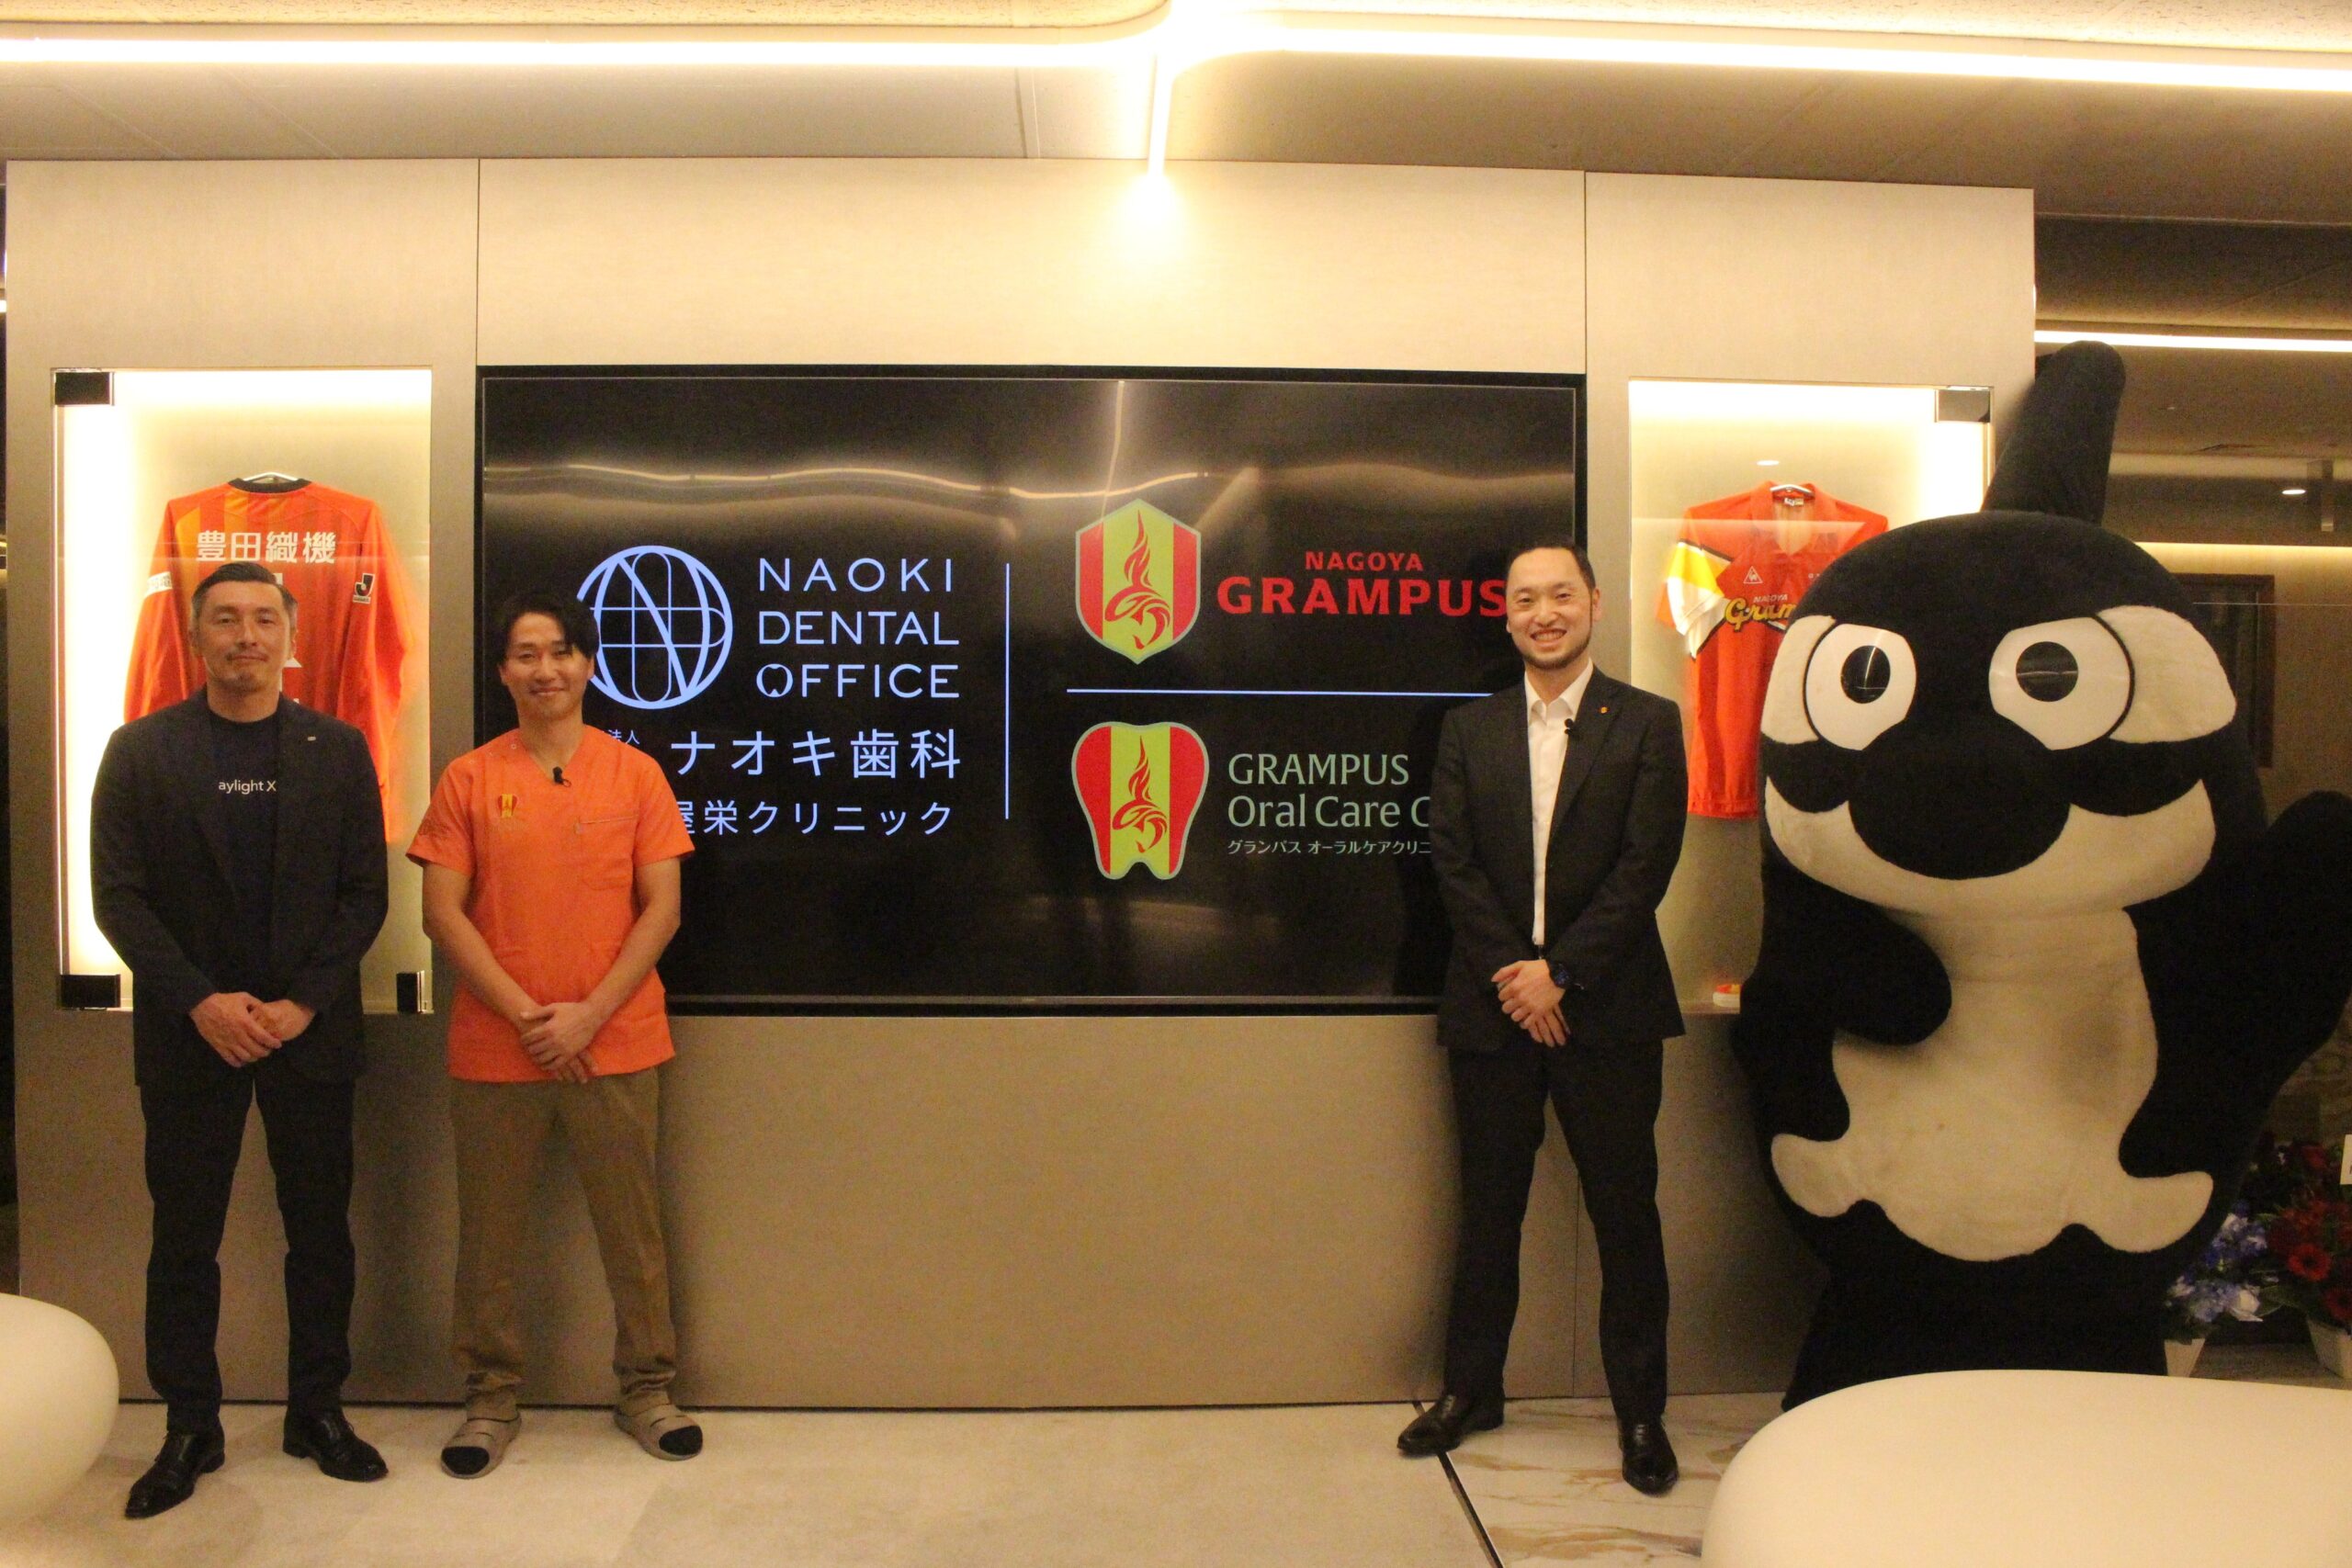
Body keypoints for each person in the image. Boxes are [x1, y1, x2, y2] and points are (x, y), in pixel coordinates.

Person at [91, 558, 392, 1518]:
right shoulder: (140, 750)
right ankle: (190, 1425)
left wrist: (303, 1002)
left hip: (312, 1033)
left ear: (290, 635)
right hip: (191, 1036)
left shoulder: (338, 748)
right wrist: (200, 1002)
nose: (246, 636)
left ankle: (318, 1410)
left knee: (321, 1234)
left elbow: (365, 894)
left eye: (264, 618)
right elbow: (118, 899)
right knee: (184, 1240)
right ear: (195, 636)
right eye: (225, 619)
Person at [1398, 539, 1690, 1495]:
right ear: (1507, 614)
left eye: (1561, 594)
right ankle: (1470, 1391)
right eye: (1525, 599)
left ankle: (1640, 1412)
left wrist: (1561, 973)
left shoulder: (1647, 723)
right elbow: (1451, 862)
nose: (1544, 613)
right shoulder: (1467, 729)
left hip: (1608, 1009)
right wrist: (1515, 977)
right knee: (1489, 1211)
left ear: (1594, 603)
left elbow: (1645, 865)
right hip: (1493, 1012)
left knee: (1624, 1214)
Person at [407, 590, 702, 1478]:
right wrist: (529, 1017)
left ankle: (647, 1389)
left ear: (589, 664)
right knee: (489, 1236)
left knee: (633, 1229)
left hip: (618, 1039)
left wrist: (587, 1015)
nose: (546, 669)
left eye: (563, 651)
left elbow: (662, 909)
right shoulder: (468, 778)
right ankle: (490, 1397)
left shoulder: (635, 774)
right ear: (503, 671)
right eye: (527, 654)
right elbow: (441, 913)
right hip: (499, 1046)